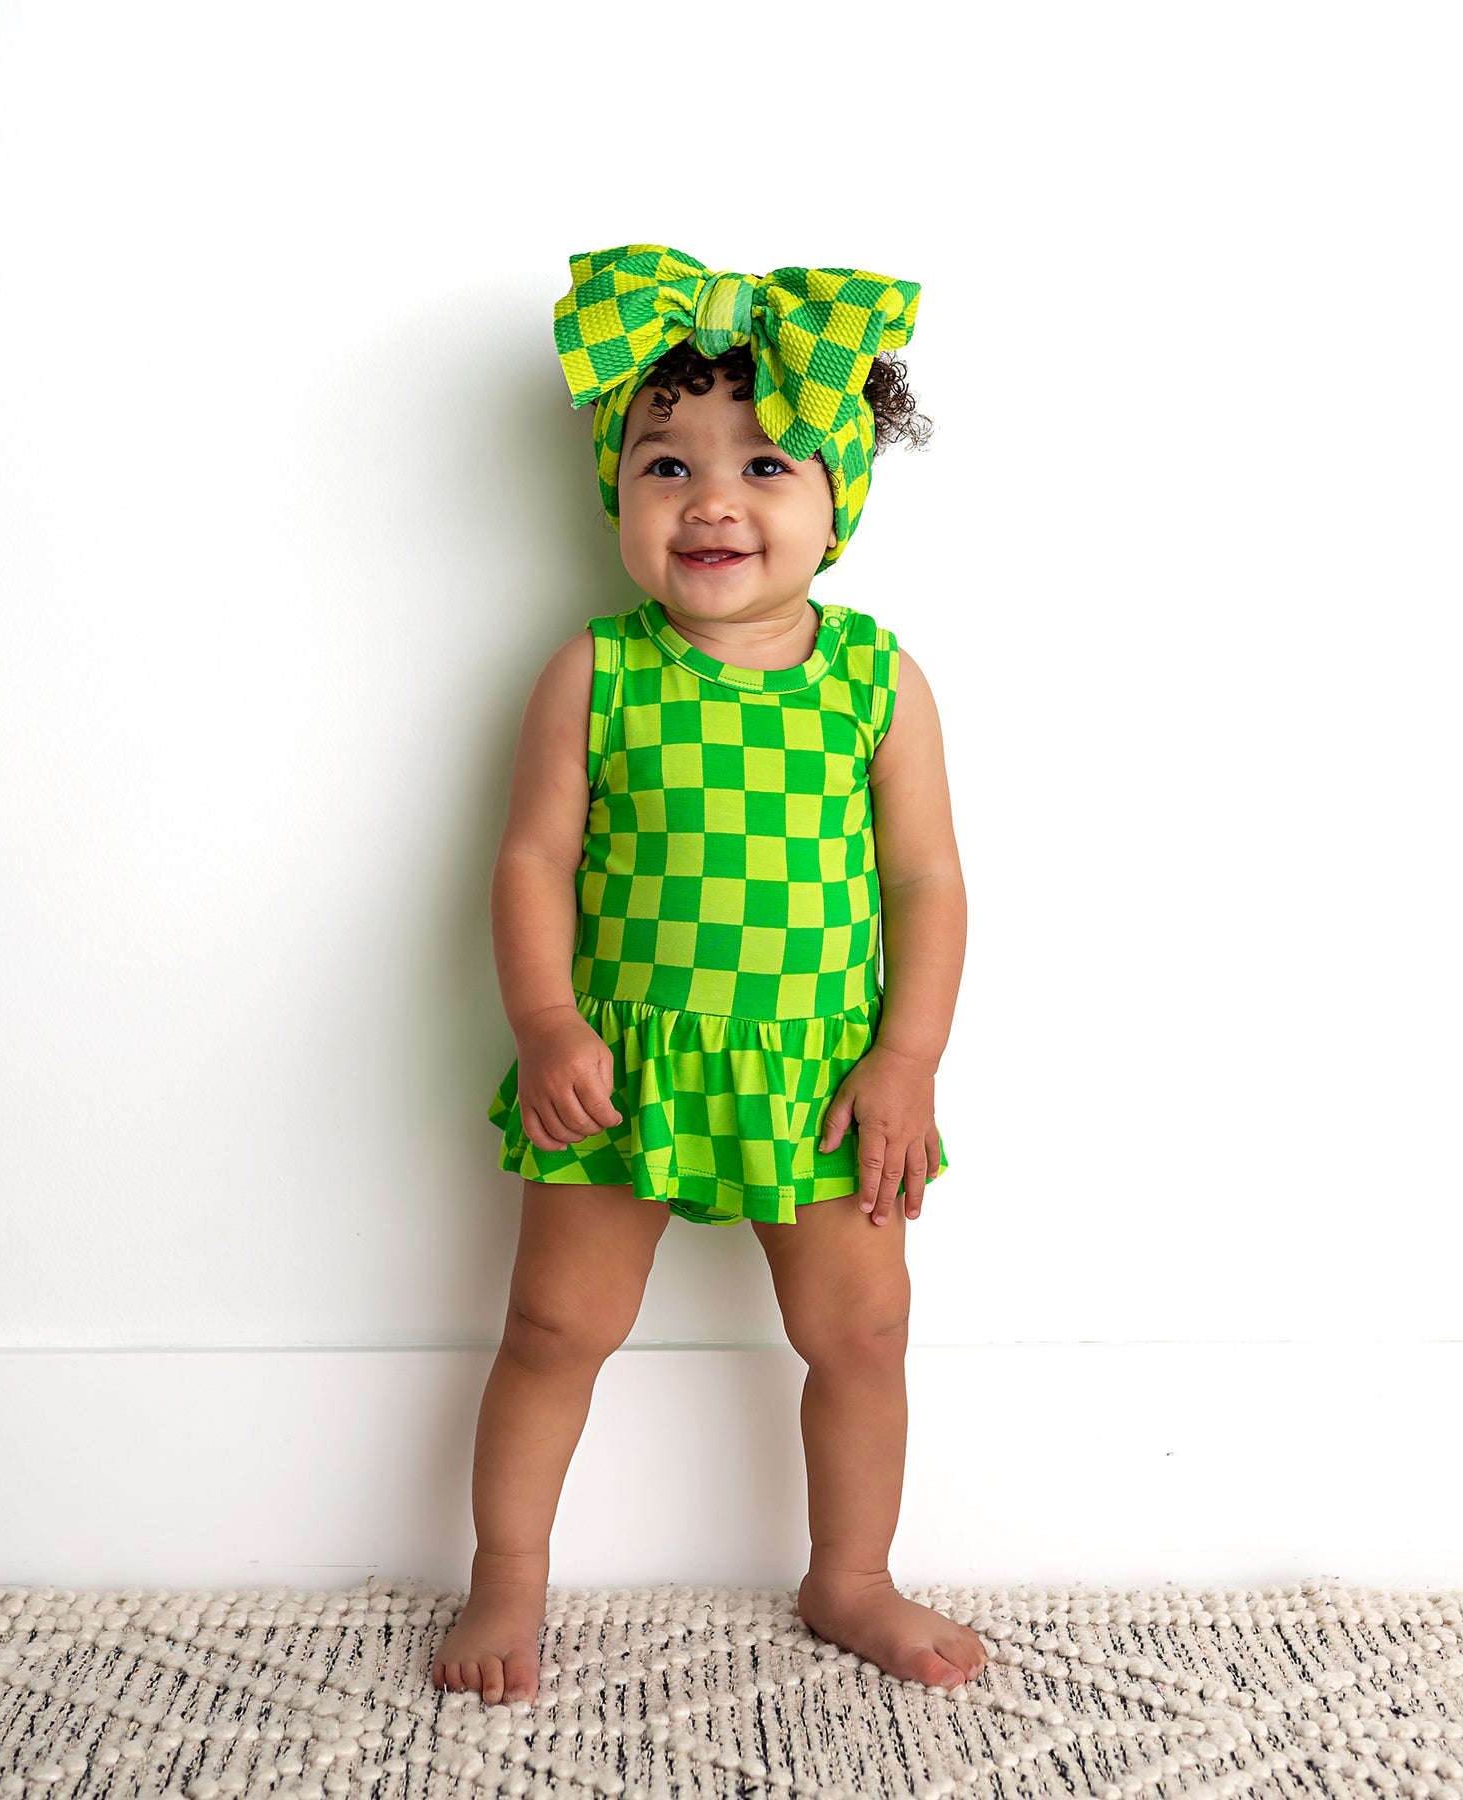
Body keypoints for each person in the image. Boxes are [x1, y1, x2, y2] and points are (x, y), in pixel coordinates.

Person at [435, 246, 979, 1705]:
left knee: (863, 1334)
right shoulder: (595, 673)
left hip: (824, 1076)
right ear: (616, 495)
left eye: (766, 466)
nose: (712, 500)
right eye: (666, 464)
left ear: (838, 501)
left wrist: (907, 1058)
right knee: (554, 1329)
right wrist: (546, 1020)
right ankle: (507, 1575)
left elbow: (927, 881)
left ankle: (850, 1576)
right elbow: (532, 859)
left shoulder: (875, 681)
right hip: (621, 1069)